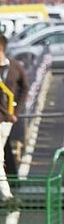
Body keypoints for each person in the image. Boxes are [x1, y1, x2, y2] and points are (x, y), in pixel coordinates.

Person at [0, 35, 28, 201]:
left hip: (5, 119)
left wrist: (16, 111)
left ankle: (6, 195)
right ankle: (6, 194)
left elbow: (25, 87)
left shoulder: (14, 67)